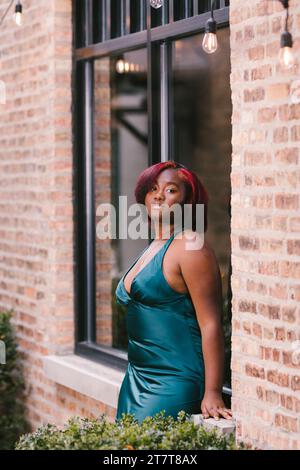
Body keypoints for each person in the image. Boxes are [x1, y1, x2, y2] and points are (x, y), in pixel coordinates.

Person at [115, 160, 232, 424]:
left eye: (170, 190)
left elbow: (211, 323)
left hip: (173, 382)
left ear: (187, 200)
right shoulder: (154, 246)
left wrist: (213, 392)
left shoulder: (191, 247)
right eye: (153, 188)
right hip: (135, 379)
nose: (158, 195)